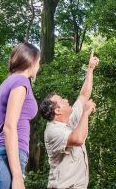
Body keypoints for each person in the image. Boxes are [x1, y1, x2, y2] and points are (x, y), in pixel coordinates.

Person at [0, 42, 41, 189]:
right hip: (7, 163)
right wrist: (18, 177)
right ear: (31, 62)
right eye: (38, 62)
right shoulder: (21, 82)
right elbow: (9, 127)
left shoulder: (2, 86)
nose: (39, 67)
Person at [39, 51, 99, 189]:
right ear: (57, 110)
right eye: (62, 100)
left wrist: (90, 69)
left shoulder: (69, 121)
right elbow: (78, 139)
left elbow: (84, 95)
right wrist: (85, 113)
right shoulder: (52, 131)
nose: (66, 100)